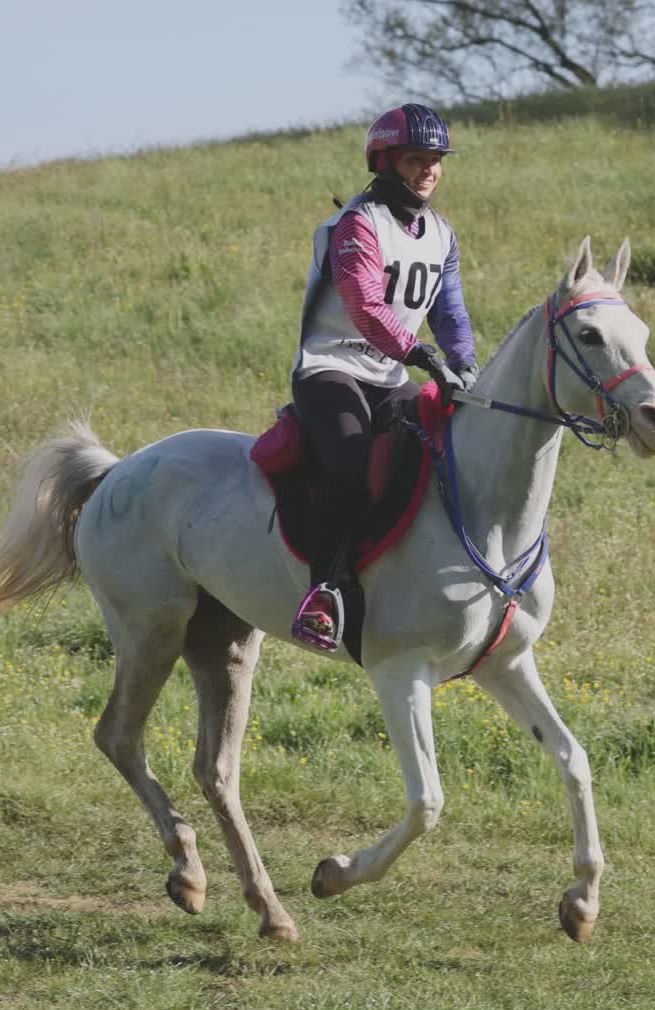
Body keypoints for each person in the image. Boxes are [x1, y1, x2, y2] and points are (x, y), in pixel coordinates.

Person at [289, 102, 480, 651]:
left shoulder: (441, 234)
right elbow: (364, 302)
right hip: (332, 370)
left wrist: (463, 363)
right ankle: (322, 594)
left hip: (391, 375)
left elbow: (452, 313)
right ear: (386, 162)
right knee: (349, 463)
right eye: (416, 160)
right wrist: (421, 355)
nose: (429, 171)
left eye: (436, 160)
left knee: (442, 451)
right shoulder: (358, 223)